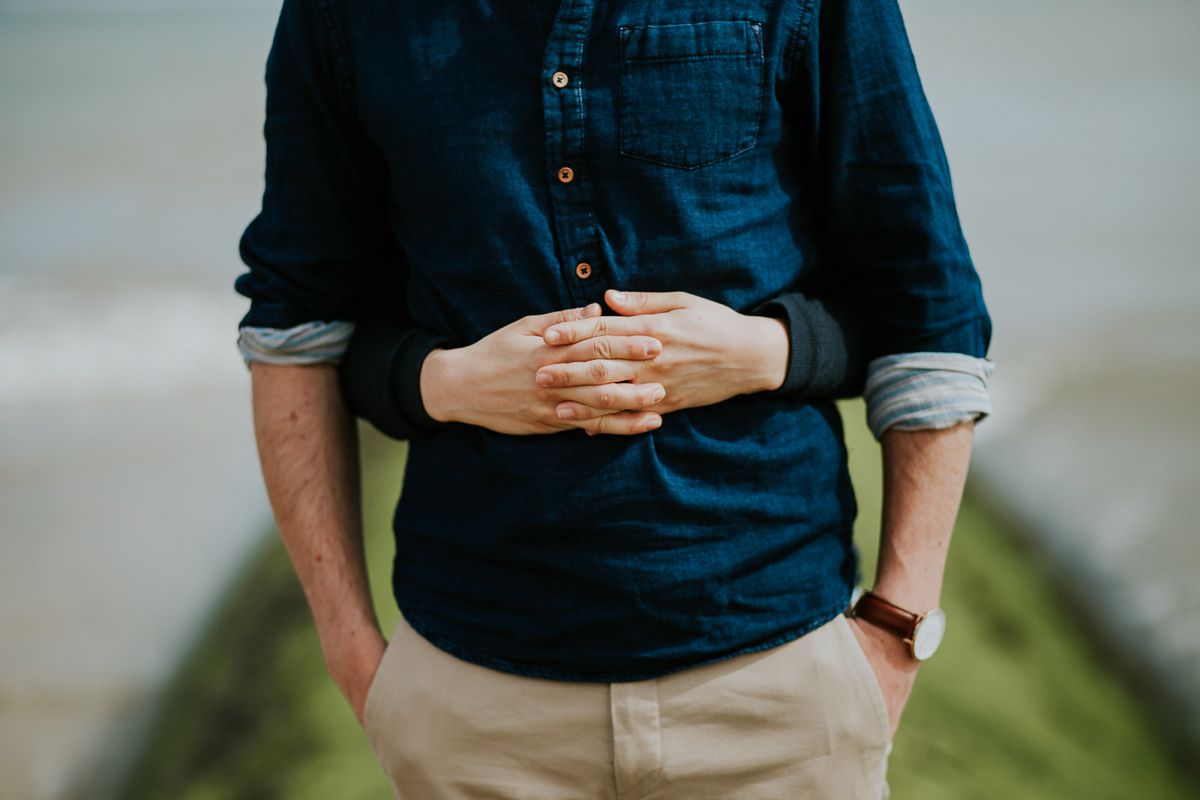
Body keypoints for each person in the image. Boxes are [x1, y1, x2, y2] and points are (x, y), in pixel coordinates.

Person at [233, 1, 994, 797]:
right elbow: (298, 325)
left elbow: (927, 300)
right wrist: (352, 651)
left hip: (781, 691)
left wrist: (897, 629)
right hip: (472, 707)